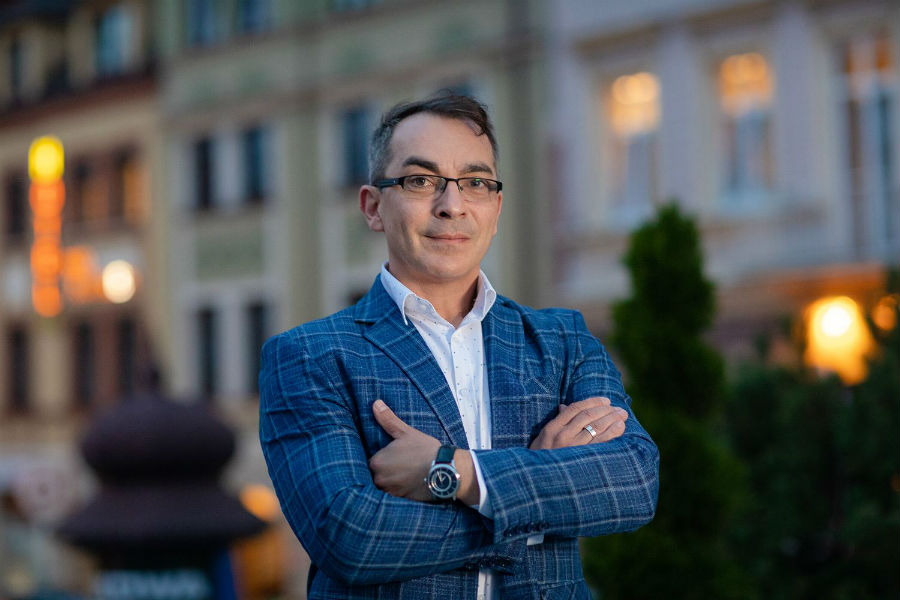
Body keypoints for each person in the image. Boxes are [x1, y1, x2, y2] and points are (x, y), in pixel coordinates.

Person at [259, 93, 659, 599]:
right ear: (374, 207)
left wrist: (453, 471)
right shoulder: (311, 356)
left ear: (496, 208)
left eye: (475, 182)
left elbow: (632, 483)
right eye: (420, 181)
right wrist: (536, 497)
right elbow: (351, 537)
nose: (452, 205)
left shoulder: (563, 341)